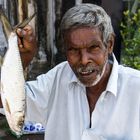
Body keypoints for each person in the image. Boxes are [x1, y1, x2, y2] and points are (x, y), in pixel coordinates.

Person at [0, 3, 140, 140]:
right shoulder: (55, 80)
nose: (84, 60)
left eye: (93, 48)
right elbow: (7, 102)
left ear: (109, 45)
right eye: (74, 50)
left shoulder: (136, 89)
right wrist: (22, 59)